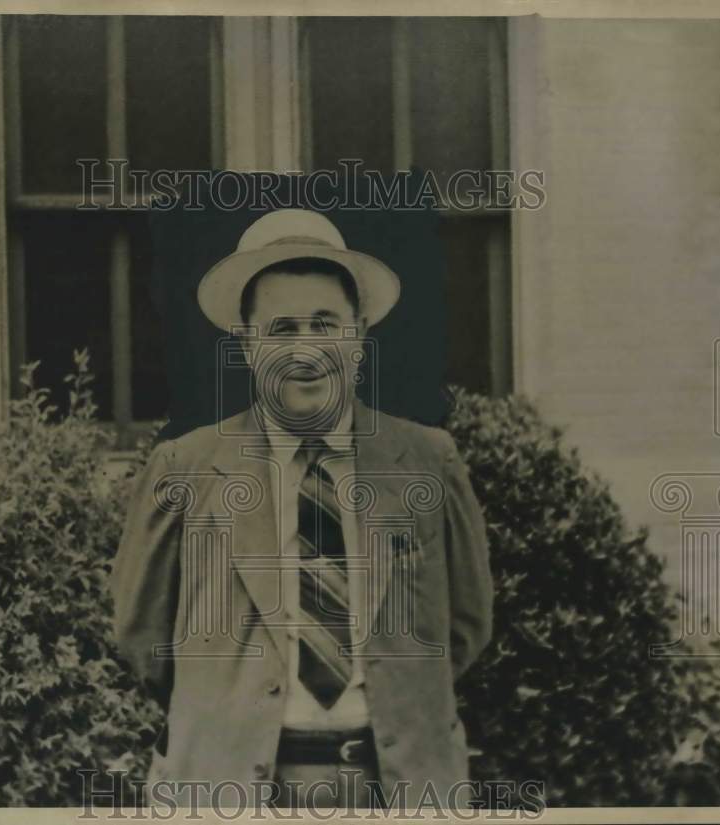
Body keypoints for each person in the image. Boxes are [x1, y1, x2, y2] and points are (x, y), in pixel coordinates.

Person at [110, 208, 494, 813]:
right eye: (282, 329)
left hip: (400, 787)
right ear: (246, 342)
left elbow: (465, 627)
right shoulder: (187, 467)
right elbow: (143, 638)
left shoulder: (426, 461)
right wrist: (229, 716)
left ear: (359, 333)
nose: (306, 350)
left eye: (326, 324)